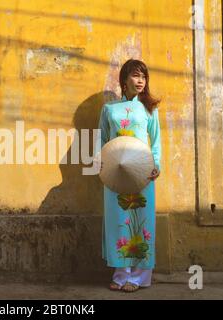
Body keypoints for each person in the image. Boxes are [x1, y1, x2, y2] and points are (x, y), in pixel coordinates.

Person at [94, 59, 162, 293]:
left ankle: (141, 276)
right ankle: (121, 274)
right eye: (135, 76)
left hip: (143, 173)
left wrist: (157, 164)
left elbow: (156, 142)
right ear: (124, 80)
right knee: (118, 223)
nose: (141, 81)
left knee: (142, 222)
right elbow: (101, 139)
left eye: (143, 76)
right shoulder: (109, 109)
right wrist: (99, 163)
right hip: (115, 171)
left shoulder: (149, 109)